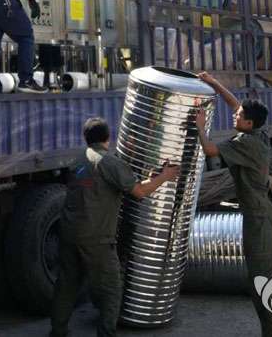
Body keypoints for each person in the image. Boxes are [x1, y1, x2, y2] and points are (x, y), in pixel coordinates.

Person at [50, 117, 179, 337]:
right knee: (111, 288)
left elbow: (101, 185)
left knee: (67, 284)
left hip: (70, 233)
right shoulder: (109, 162)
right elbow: (139, 192)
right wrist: (165, 177)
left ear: (86, 138)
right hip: (96, 238)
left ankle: (58, 331)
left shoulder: (77, 161)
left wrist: (151, 178)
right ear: (108, 137)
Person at [195, 72, 272, 337]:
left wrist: (200, 126)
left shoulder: (245, 142)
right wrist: (214, 83)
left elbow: (210, 150)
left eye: (239, 116)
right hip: (265, 213)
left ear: (249, 123)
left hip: (258, 219)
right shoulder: (258, 133)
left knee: (262, 284)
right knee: (271, 278)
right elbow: (235, 104)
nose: (235, 116)